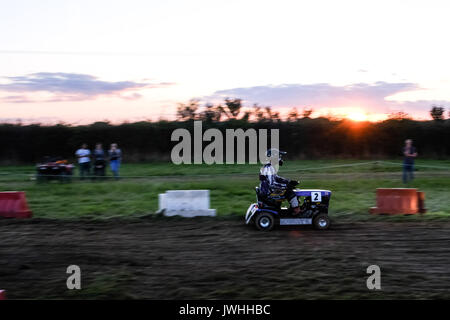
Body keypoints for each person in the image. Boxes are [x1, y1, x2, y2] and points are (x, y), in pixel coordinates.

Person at [259, 148, 300, 215]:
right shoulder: (269, 168)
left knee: (290, 190)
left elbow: (277, 178)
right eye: (279, 157)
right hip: (269, 193)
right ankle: (296, 210)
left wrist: (289, 181)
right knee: (290, 193)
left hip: (267, 191)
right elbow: (272, 184)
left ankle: (293, 208)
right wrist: (286, 186)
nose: (281, 159)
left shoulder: (269, 167)